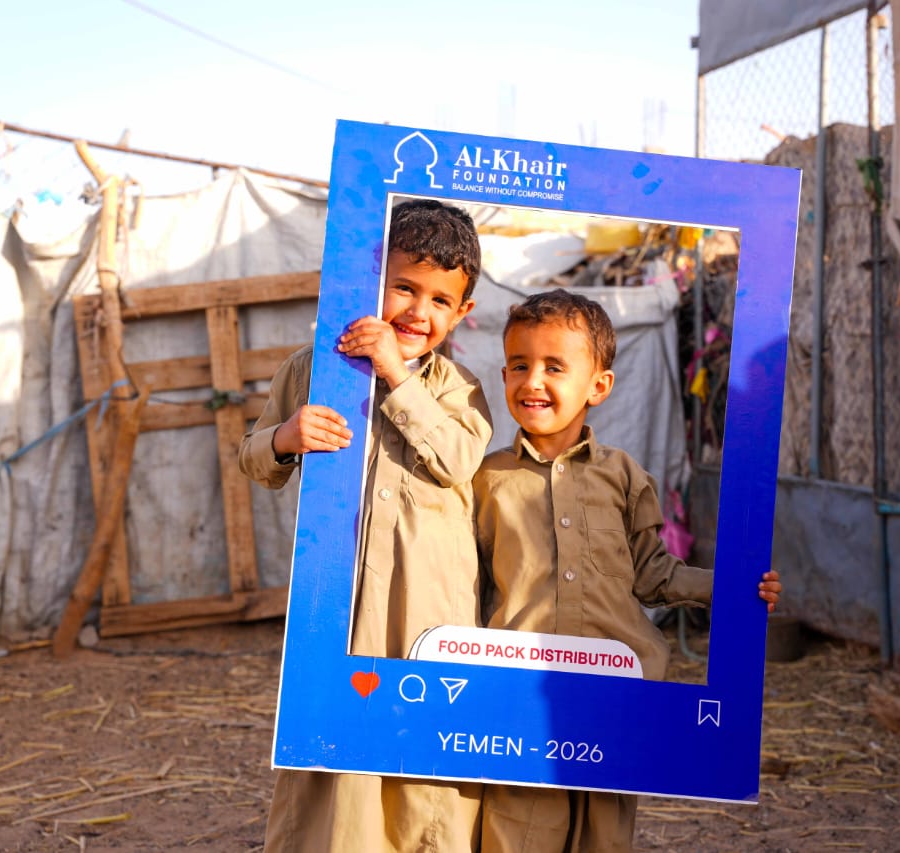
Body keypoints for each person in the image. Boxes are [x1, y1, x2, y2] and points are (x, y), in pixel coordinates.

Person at [474, 289, 782, 853]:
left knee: (604, 834)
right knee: (518, 831)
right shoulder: (485, 479)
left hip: (618, 694)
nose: (532, 381)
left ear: (599, 386)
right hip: (518, 694)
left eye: (554, 367)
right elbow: (469, 584)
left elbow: (653, 574)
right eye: (520, 365)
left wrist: (732, 589)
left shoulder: (625, 477)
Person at [239, 199, 492, 853]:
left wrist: (396, 373)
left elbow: (458, 457)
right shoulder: (314, 370)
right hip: (341, 605)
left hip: (428, 610)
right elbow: (255, 459)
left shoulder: (458, 388)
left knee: (423, 758)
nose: (418, 311)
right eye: (404, 286)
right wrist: (286, 437)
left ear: (462, 313)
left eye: (440, 299)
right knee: (337, 755)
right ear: (366, 276)